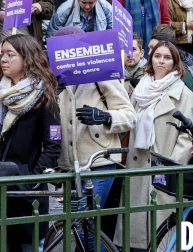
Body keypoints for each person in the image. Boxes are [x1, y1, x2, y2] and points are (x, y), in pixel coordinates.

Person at [114, 40, 193, 250]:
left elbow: (188, 136)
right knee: (134, 235)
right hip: (137, 168)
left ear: (175, 63)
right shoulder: (140, 90)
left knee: (161, 234)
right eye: (157, 56)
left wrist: (170, 164)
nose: (161, 61)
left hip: (162, 171)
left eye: (167, 57)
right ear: (151, 59)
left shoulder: (184, 95)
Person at [0, 34, 61, 251]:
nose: (4, 60)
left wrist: (30, 179)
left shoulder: (44, 96)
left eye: (11, 55)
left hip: (26, 194)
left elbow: (53, 143)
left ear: (27, 58)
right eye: (2, 55)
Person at [54, 26, 136, 207]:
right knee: (74, 223)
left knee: (87, 221)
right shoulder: (55, 80)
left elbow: (130, 116)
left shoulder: (102, 75)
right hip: (69, 167)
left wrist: (104, 117)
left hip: (99, 162)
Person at [46, 0, 113, 37]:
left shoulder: (106, 8)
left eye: (91, 3)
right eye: (83, 2)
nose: (87, 6)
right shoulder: (65, 9)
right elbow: (52, 35)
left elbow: (114, 32)